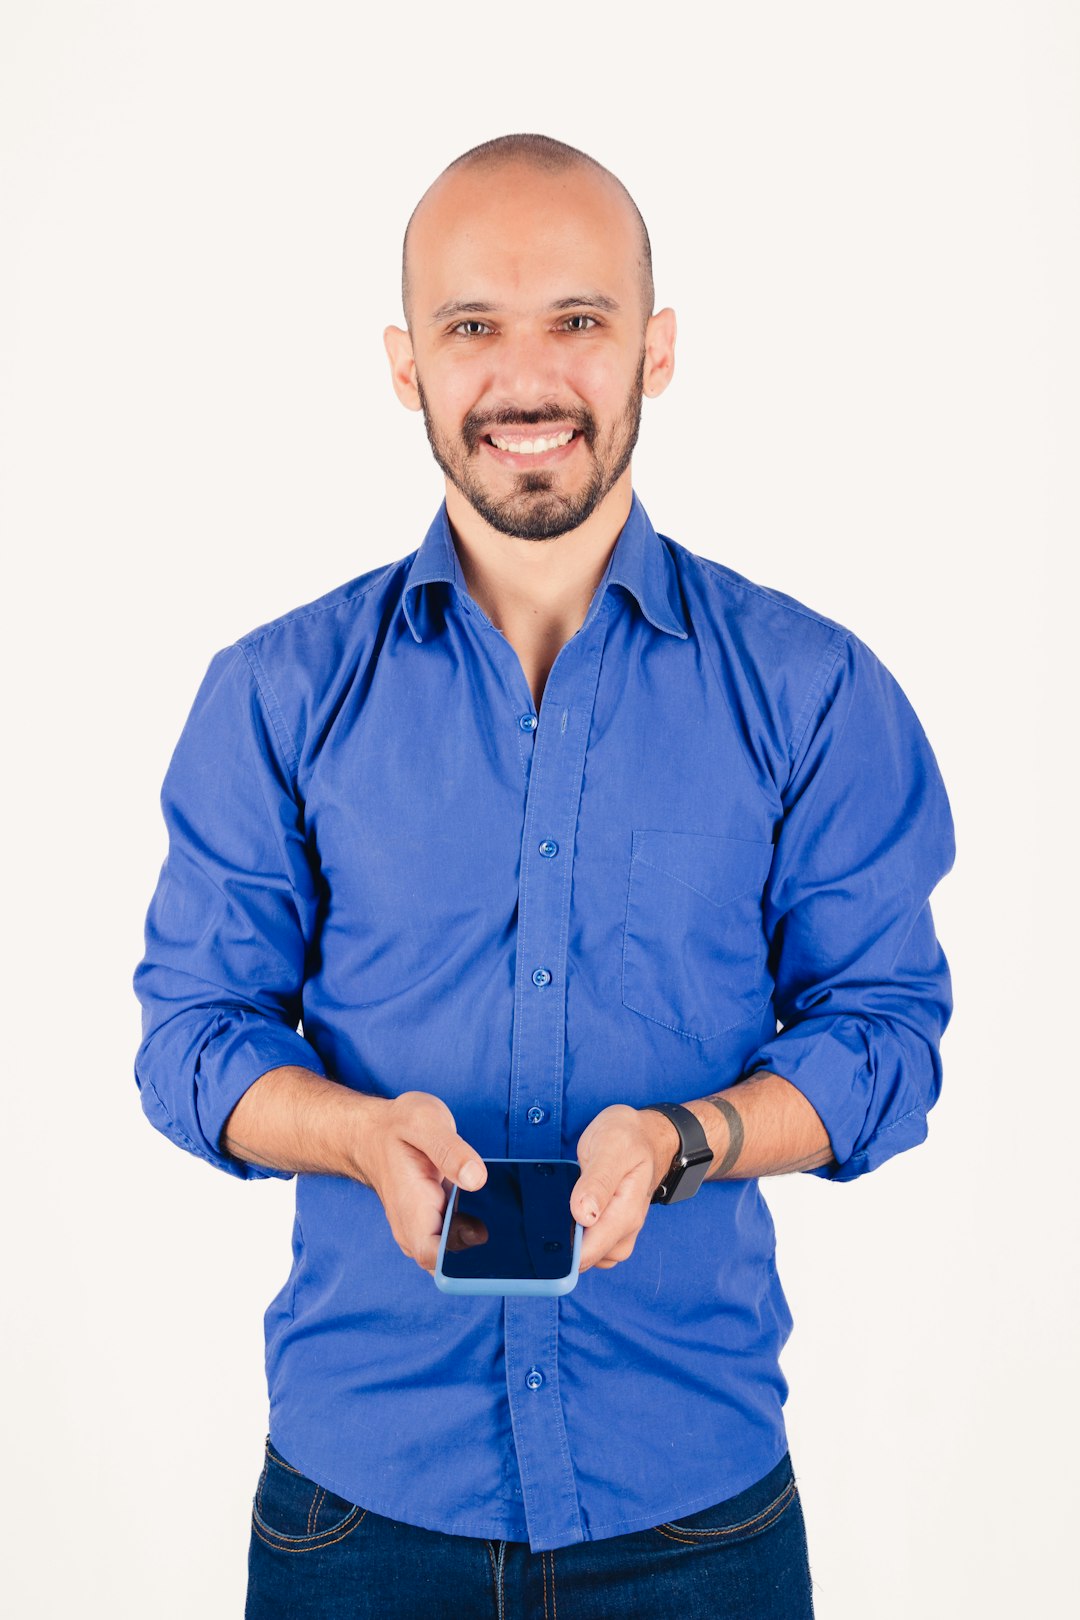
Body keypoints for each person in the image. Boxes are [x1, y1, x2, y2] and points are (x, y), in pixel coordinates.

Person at [132, 132, 954, 1620]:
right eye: (472, 327)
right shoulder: (274, 694)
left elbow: (885, 1035)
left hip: (694, 1513)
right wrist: (356, 1134)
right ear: (405, 365)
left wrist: (689, 1140)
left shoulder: (813, 690)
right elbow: (194, 1036)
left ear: (658, 348)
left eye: (579, 320)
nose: (527, 378)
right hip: (356, 1514)